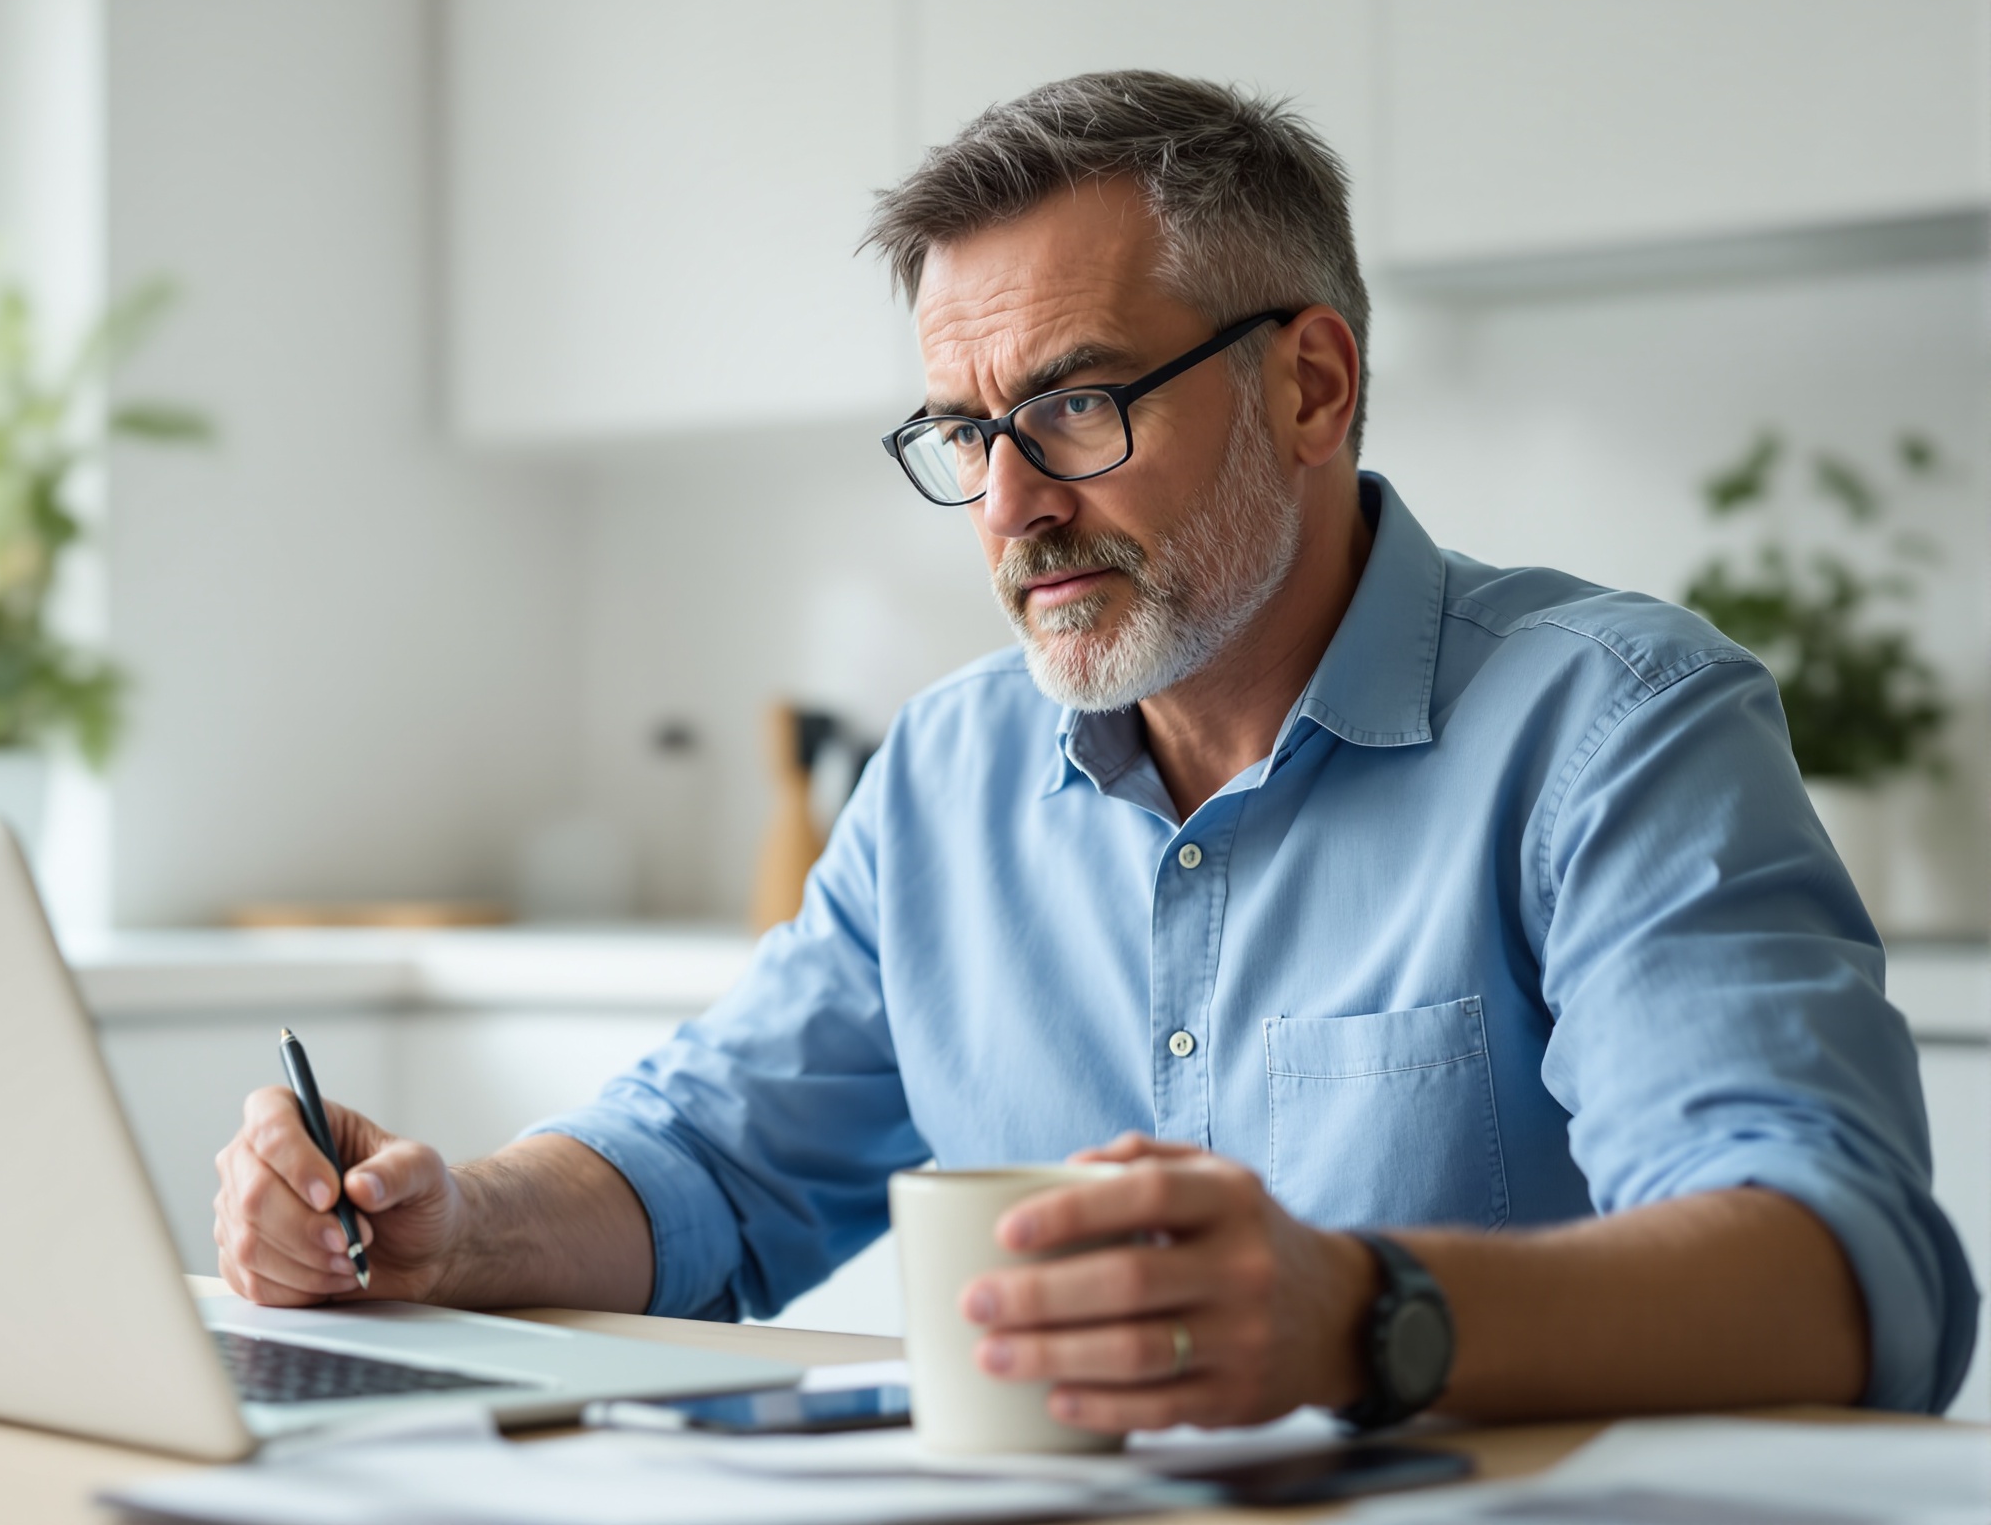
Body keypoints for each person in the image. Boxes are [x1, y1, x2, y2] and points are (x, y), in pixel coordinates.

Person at [212, 70, 1977, 1428]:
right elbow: (716, 1162)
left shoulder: (1611, 723)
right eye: (963, 431)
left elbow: (1848, 1278)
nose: (1010, 504)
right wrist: (445, 1225)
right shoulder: (947, 777)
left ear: (1311, 386)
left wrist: (1359, 1312)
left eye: (1073, 403)